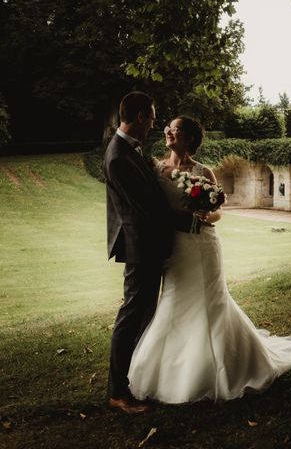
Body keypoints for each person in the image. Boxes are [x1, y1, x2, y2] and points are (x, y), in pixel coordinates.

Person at [127, 115, 291, 404]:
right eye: (168, 129)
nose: (168, 133)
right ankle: (172, 369)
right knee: (175, 301)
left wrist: (207, 214)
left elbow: (218, 212)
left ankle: (219, 368)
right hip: (173, 247)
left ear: (188, 138)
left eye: (174, 130)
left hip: (203, 244)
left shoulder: (204, 171)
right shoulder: (156, 169)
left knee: (210, 302)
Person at [103, 92, 193, 414]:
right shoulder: (118, 156)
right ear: (140, 117)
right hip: (140, 246)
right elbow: (148, 208)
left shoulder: (132, 149)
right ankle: (117, 392)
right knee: (132, 315)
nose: (155, 123)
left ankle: (135, 380)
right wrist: (188, 220)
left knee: (144, 314)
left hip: (149, 245)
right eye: (153, 117)